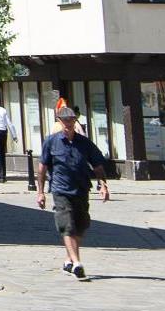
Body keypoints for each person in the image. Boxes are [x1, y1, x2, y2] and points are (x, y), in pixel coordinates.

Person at [38, 104, 112, 280]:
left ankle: (69, 260)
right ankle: (77, 263)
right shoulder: (51, 141)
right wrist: (40, 192)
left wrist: (103, 185)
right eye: (64, 120)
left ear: (75, 121)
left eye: (71, 120)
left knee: (81, 225)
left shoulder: (84, 143)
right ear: (59, 121)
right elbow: (42, 168)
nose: (68, 123)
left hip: (81, 188)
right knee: (67, 225)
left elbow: (98, 165)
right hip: (60, 189)